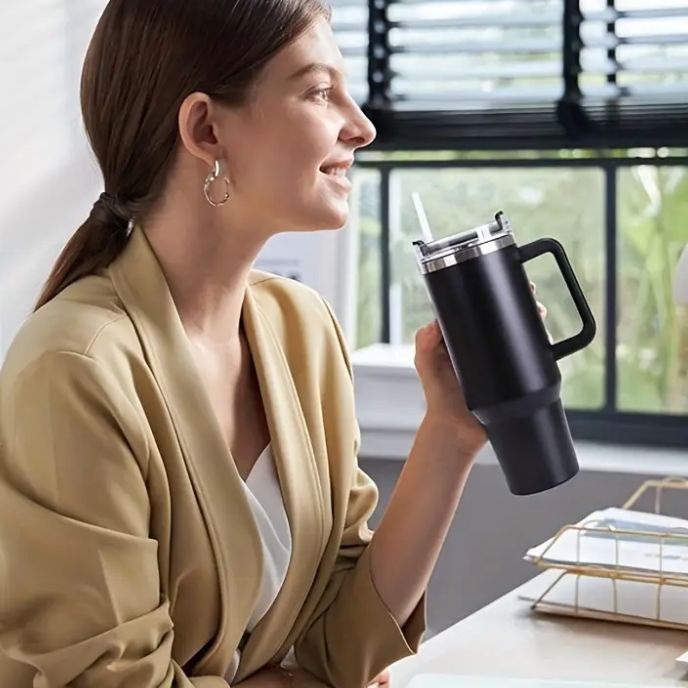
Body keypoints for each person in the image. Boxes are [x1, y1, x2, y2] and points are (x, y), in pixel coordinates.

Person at [0, 1, 490, 687]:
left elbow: (343, 645)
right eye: (320, 91)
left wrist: (451, 433)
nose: (363, 125)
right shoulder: (76, 371)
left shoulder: (303, 330)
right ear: (205, 128)